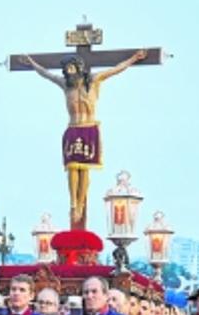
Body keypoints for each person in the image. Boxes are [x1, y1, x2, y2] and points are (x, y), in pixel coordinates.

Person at [21, 49, 148, 229]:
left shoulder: (94, 81)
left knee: (85, 169)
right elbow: (46, 74)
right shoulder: (66, 85)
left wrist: (133, 59)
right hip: (73, 128)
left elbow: (116, 69)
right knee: (72, 168)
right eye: (66, 69)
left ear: (79, 67)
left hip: (89, 128)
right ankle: (73, 204)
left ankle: (81, 203)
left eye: (72, 67)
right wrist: (32, 63)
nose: (69, 71)